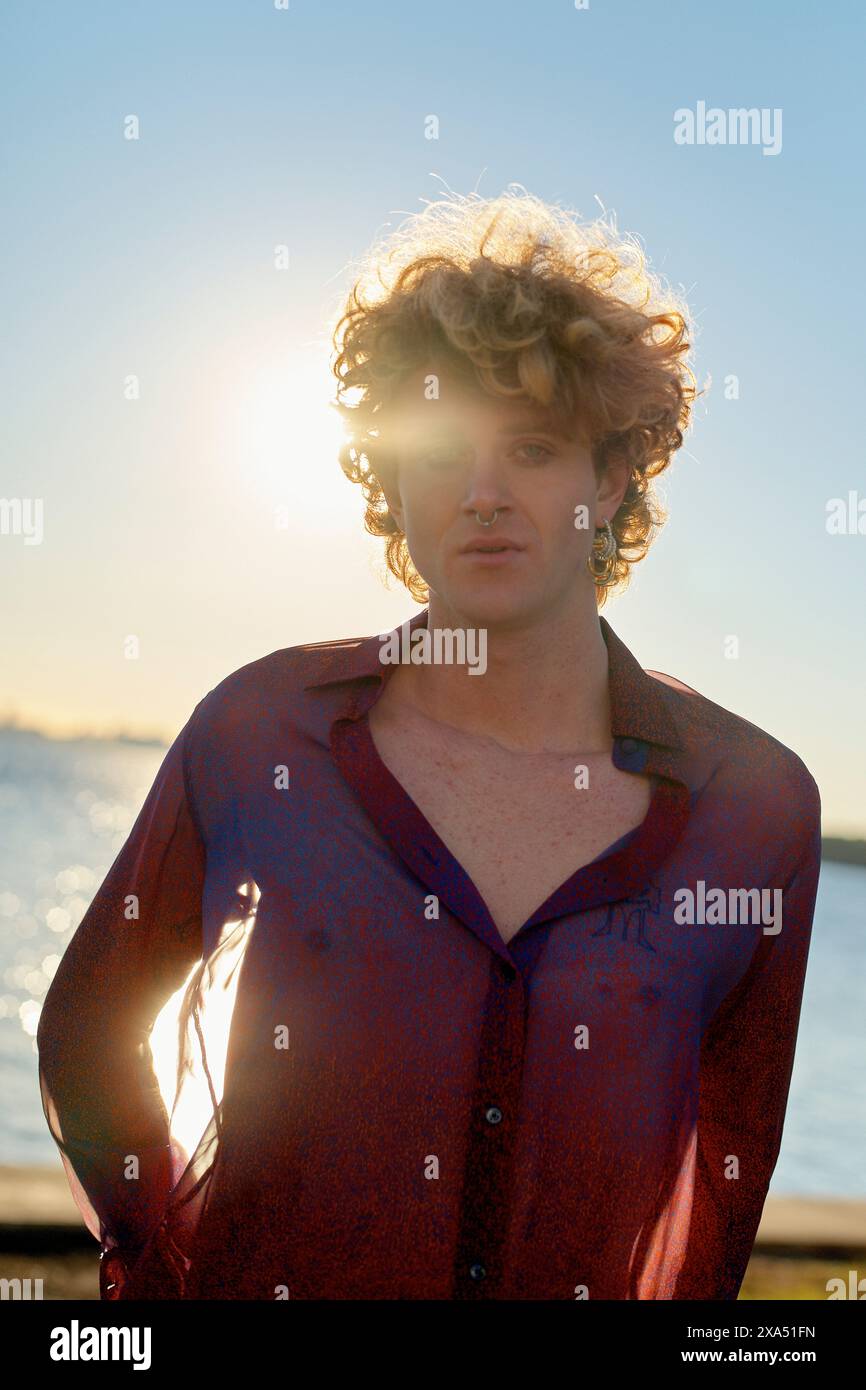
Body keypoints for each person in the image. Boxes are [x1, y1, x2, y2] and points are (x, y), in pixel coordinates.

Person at [36, 190, 822, 1300]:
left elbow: (727, 1167)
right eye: (442, 449)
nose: (484, 495)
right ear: (390, 475)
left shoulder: (756, 809)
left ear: (607, 480)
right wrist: (158, 1264)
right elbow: (90, 1029)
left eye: (535, 449)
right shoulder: (262, 730)